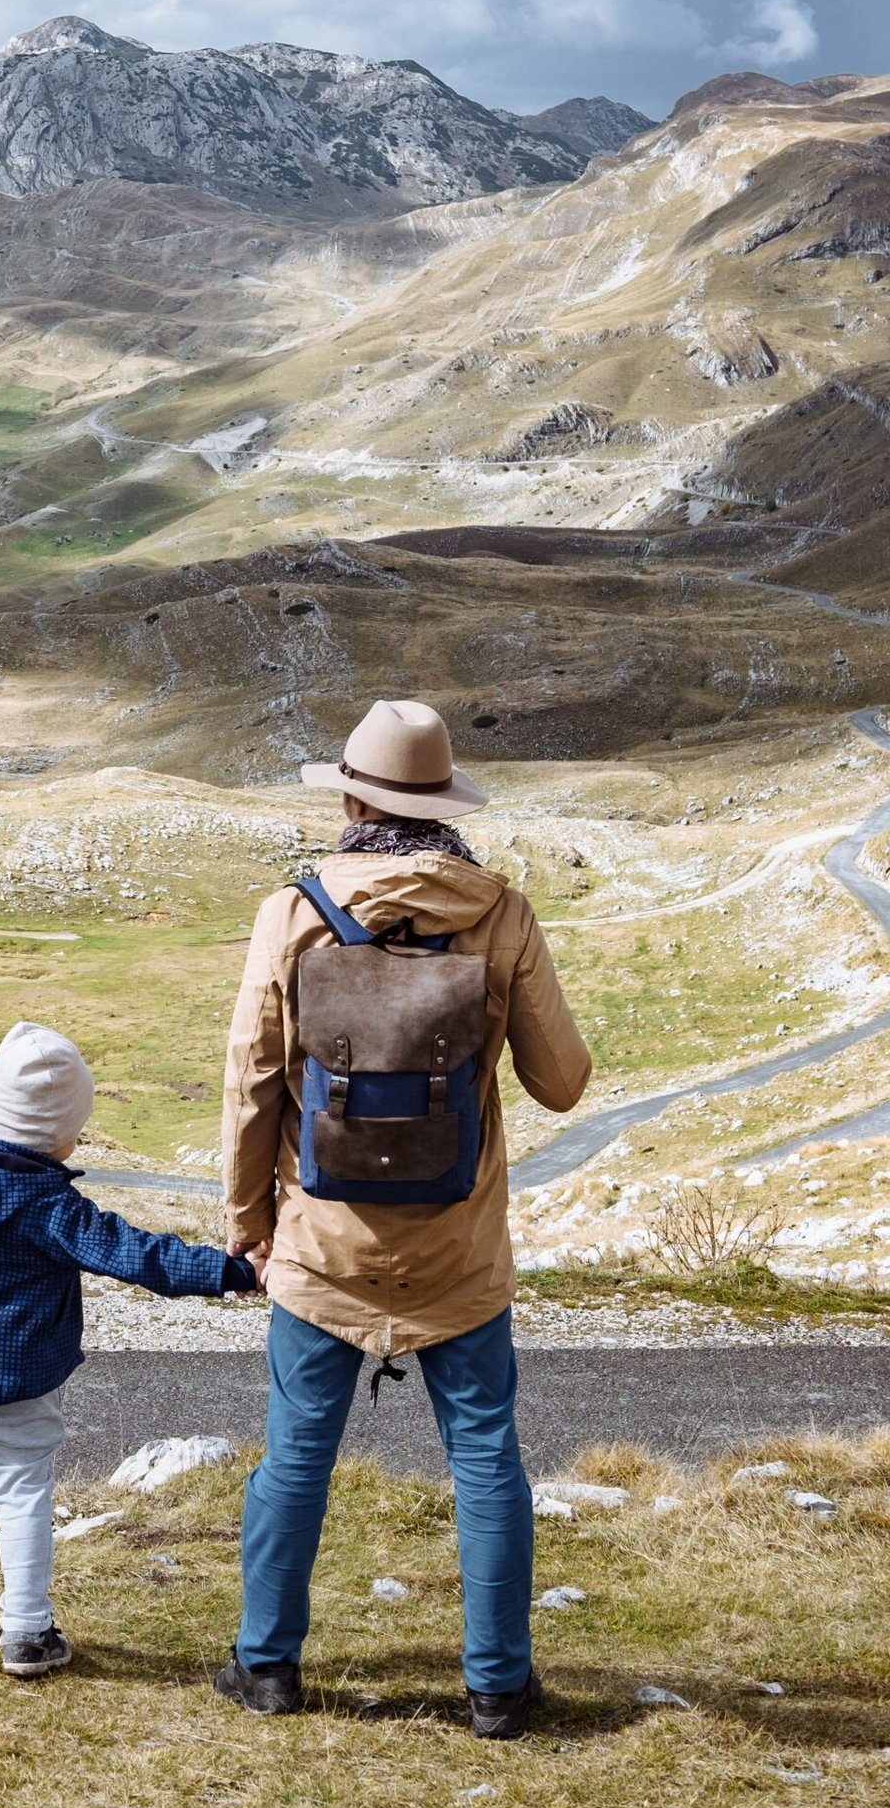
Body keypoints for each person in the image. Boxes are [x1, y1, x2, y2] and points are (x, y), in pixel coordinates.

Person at [213, 699, 591, 1738]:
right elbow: (561, 1083)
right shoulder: (501, 913)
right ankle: (498, 1687)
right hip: (459, 1250)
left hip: (321, 1249)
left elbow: (252, 1083)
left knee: (295, 1457)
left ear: (349, 799)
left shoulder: (290, 914)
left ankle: (267, 1666)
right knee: (484, 1459)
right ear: (444, 806)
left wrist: (252, 1219)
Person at [0, 1019, 260, 1678]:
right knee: (23, 1495)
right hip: (17, 1378)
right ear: (59, 1132)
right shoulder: (48, 1201)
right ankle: (26, 1635)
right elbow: (137, 1256)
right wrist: (233, 1272)